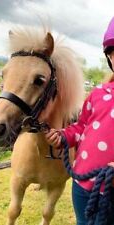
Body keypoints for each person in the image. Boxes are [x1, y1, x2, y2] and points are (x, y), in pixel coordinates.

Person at [44, 17, 114, 225]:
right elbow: (82, 126)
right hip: (83, 184)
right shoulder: (98, 93)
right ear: (110, 57)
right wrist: (63, 136)